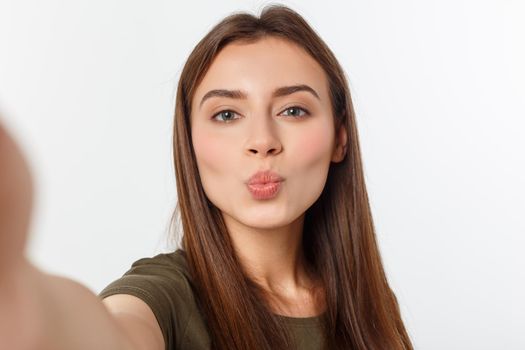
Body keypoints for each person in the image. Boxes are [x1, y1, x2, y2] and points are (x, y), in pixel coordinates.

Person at [0, 4, 413, 350]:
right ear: (190, 143)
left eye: (293, 110)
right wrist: (22, 294)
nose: (262, 141)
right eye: (227, 115)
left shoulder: (370, 306)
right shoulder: (168, 297)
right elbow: (110, 330)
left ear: (340, 138)